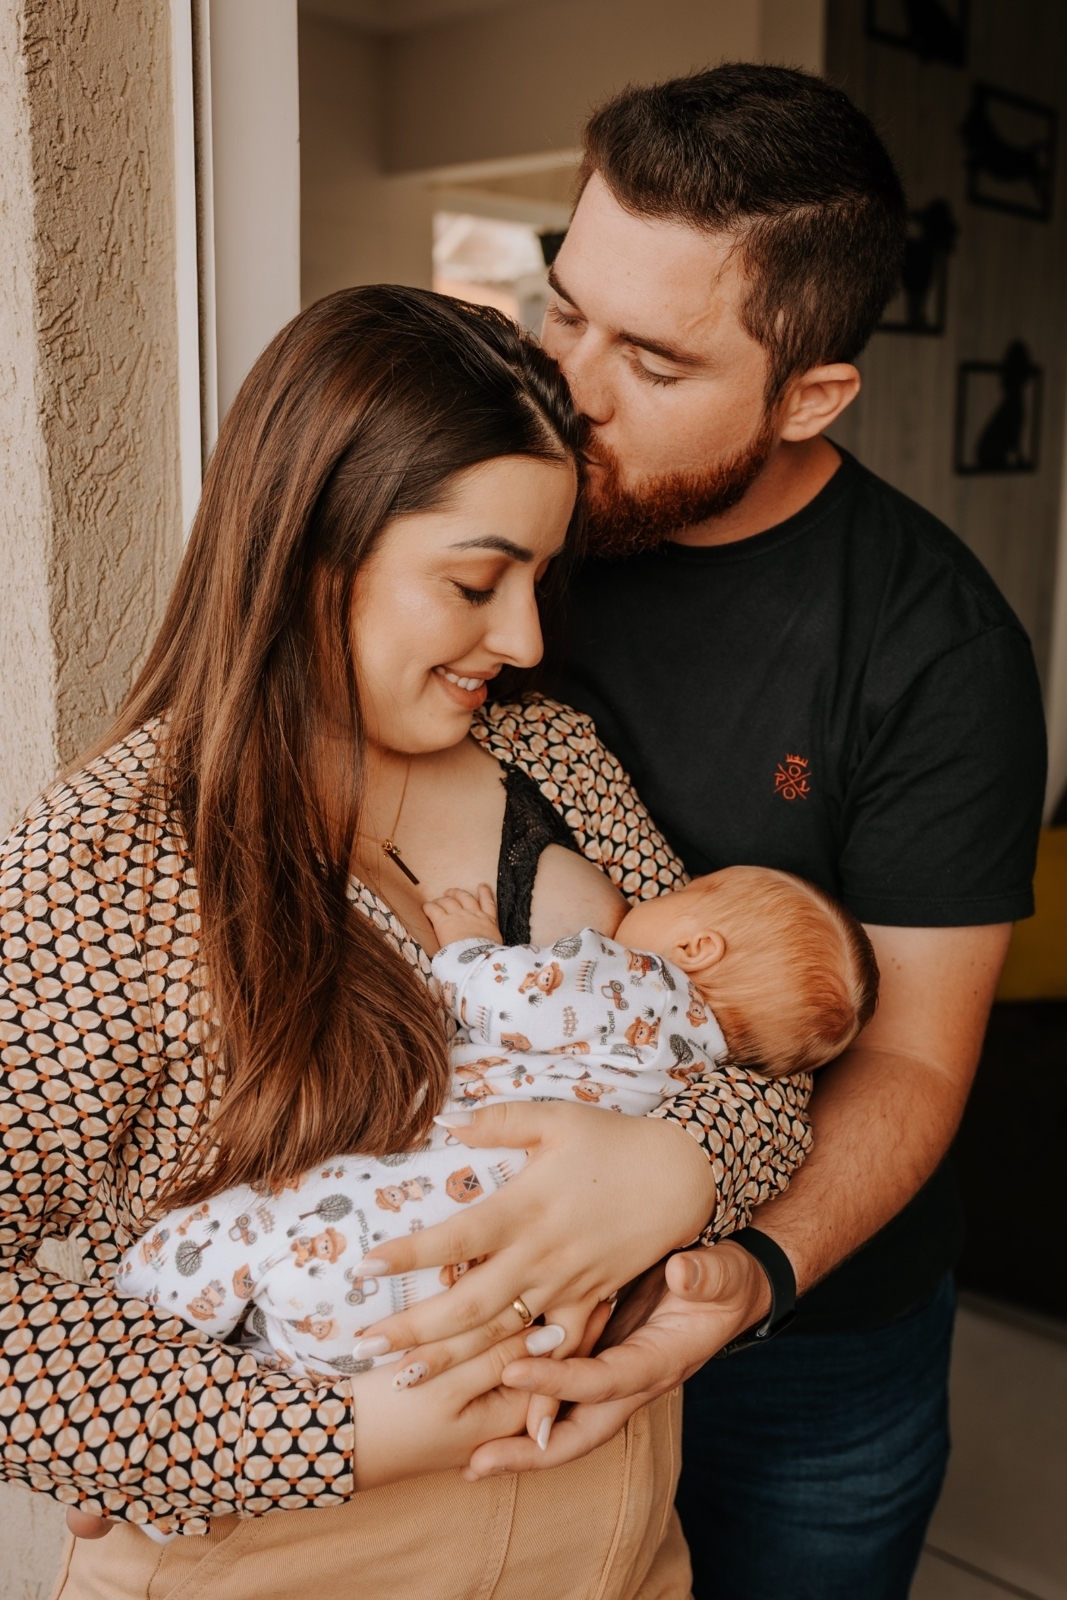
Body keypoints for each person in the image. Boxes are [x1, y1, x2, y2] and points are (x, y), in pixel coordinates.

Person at [342, 67, 1046, 1600]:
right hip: (480, 1285)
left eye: (652, 360)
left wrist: (749, 1270)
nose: (569, 386)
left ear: (808, 397)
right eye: (564, 310)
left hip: (802, 1339)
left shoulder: (933, 652)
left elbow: (912, 1059)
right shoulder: (490, 516)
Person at [0, 284, 812, 1599]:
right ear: (311, 551)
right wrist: (334, 1436)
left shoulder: (553, 761)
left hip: (609, 1555)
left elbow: (759, 1057)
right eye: (475, 581)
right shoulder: (108, 860)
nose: (526, 635)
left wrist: (676, 1169)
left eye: (540, 577)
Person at [115, 868, 877, 1396]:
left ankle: (139, 1372)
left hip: (367, 1217)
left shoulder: (643, 986)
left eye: (677, 894)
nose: (651, 895)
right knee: (280, 1352)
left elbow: (513, 1002)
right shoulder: (695, 1080)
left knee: (233, 1226)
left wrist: (470, 944)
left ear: (698, 947)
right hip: (424, 1310)